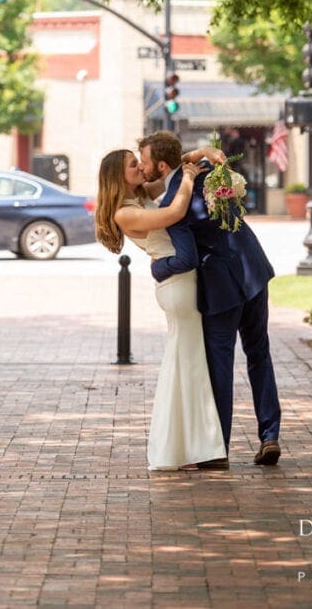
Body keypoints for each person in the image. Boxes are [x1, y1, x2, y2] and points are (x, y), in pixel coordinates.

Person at [142, 131, 281, 469]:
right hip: (253, 268)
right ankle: (270, 435)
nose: (142, 167)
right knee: (258, 353)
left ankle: (218, 448)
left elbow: (186, 257)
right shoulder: (209, 171)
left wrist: (159, 268)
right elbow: (189, 162)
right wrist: (199, 153)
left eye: (144, 161)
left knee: (220, 364)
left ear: (161, 164)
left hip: (221, 286)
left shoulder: (174, 202)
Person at [95, 147, 227, 471]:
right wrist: (191, 179)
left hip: (182, 279)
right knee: (187, 364)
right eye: (132, 165)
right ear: (117, 176)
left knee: (187, 363)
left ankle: (192, 446)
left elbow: (172, 171)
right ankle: (191, 448)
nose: (140, 167)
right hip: (177, 286)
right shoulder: (125, 212)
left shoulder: (141, 195)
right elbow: (174, 213)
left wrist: (201, 154)